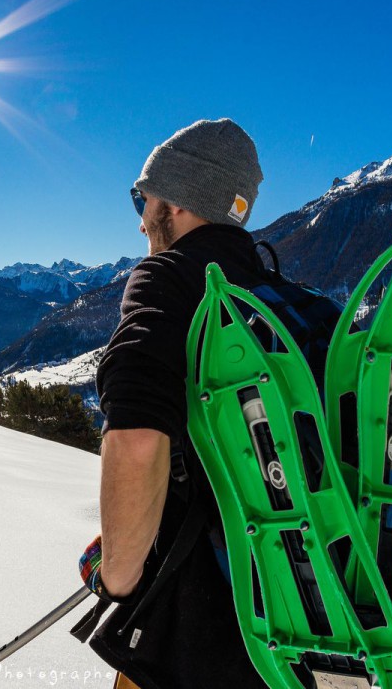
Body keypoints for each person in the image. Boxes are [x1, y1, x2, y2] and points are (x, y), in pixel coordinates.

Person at [84, 119, 270, 688]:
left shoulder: (169, 278)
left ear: (180, 200)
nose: (140, 220)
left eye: (142, 198)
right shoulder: (286, 300)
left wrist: (117, 576)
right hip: (296, 638)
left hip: (194, 634)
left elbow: (137, 438)